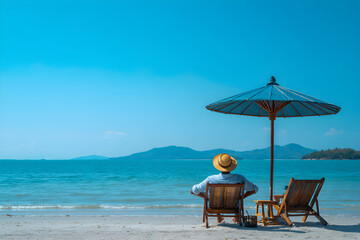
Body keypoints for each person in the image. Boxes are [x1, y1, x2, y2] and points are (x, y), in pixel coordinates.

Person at [191, 153, 258, 223]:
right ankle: (236, 216)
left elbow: (194, 191)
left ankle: (219, 217)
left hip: (214, 206)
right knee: (233, 197)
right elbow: (254, 189)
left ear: (219, 165)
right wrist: (241, 198)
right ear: (231, 166)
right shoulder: (239, 178)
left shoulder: (211, 179)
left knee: (215, 196)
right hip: (234, 206)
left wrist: (206, 197)